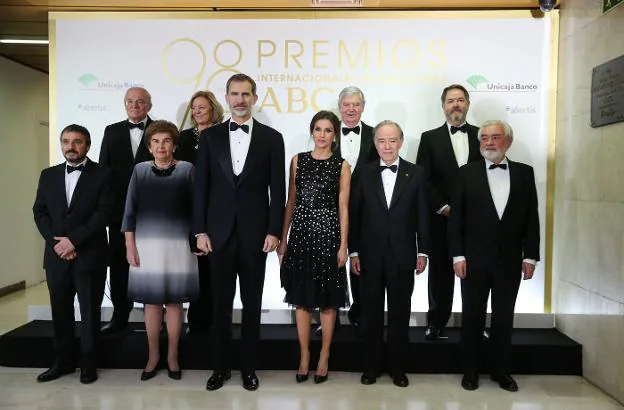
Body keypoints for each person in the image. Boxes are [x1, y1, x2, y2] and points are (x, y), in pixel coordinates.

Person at [193, 73, 286, 391]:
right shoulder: (209, 138)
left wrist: (275, 231)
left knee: (252, 304)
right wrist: (199, 231)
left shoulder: (273, 139)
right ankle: (219, 368)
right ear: (227, 97)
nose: (240, 99)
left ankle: (249, 368)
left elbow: (279, 191)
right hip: (217, 235)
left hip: (255, 235)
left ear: (255, 98)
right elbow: (200, 188)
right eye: (234, 94)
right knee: (218, 306)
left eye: (246, 94)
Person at [448, 120, 540, 392]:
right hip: (473, 260)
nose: (488, 142)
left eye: (495, 137)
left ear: (508, 142)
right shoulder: (466, 173)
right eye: (484, 138)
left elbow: (531, 219)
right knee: (472, 317)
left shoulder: (525, 173)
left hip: (510, 261)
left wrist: (530, 256)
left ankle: (502, 372)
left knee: (504, 318)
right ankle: (470, 372)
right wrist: (457, 256)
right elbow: (456, 221)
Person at [349, 120, 429, 388]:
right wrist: (354, 251)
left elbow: (423, 216)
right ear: (375, 143)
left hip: (403, 255)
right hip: (369, 256)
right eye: (381, 141)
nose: (387, 146)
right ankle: (370, 368)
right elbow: (355, 216)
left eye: (392, 140)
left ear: (401, 142)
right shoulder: (363, 172)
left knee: (399, 314)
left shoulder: (416, 173)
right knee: (370, 315)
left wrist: (424, 251)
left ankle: (398, 368)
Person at [33, 124, 114, 384]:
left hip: (89, 255)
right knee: (60, 311)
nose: (71, 146)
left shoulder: (104, 174)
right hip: (56, 257)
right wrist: (57, 243)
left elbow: (103, 214)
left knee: (90, 313)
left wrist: (73, 242)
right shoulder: (48, 175)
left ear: (87, 145)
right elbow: (40, 211)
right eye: (66, 141)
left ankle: (89, 365)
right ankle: (63, 363)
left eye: (77, 142)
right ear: (61, 144)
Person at [121, 120, 200, 381]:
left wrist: (198, 238)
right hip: (146, 246)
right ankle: (153, 356)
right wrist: (129, 245)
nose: (161, 146)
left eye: (166, 141)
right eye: (155, 141)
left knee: (175, 302)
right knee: (151, 303)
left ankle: (172, 356)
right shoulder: (140, 171)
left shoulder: (188, 169)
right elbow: (129, 211)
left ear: (175, 144)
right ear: (149, 145)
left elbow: (197, 209)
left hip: (179, 246)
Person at [278, 110, 351, 384]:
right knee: (302, 299)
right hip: (301, 238)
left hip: (329, 237)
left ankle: (324, 355)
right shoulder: (298, 161)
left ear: (335, 134)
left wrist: (344, 244)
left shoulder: (342, 165)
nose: (322, 135)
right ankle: (305, 355)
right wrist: (283, 239)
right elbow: (291, 202)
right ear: (312, 132)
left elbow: (343, 208)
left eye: (328, 130)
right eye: (318, 129)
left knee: (328, 302)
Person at [415, 84, 482, 341]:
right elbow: (424, 179)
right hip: (442, 219)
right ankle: (436, 322)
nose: (456, 104)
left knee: (475, 275)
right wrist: (443, 206)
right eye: (451, 100)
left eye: (460, 100)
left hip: (476, 220)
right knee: (441, 274)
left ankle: (474, 326)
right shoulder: (429, 138)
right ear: (443, 106)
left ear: (467, 104)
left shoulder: (481, 135)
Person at [99, 87, 154, 334]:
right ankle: (120, 316)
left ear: (149, 106)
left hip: (153, 212)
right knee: (120, 265)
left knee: (152, 265)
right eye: (130, 101)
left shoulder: (159, 130)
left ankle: (154, 319)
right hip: (119, 212)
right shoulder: (111, 131)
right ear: (125, 105)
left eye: (140, 102)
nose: (135, 105)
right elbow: (103, 173)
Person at [176, 90, 224, 336]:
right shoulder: (182, 138)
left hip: (217, 209)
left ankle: (216, 319)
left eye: (202, 107)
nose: (197, 111)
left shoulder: (223, 135)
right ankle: (195, 321)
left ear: (213, 109)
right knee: (194, 266)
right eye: (194, 107)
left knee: (215, 267)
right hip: (189, 209)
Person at [332, 86, 379, 333]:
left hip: (367, 213)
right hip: (331, 211)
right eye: (346, 104)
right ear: (339, 107)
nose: (351, 109)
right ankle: (331, 317)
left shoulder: (375, 135)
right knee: (331, 263)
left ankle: (362, 313)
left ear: (363, 106)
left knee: (363, 263)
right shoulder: (327, 133)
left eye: (356, 104)